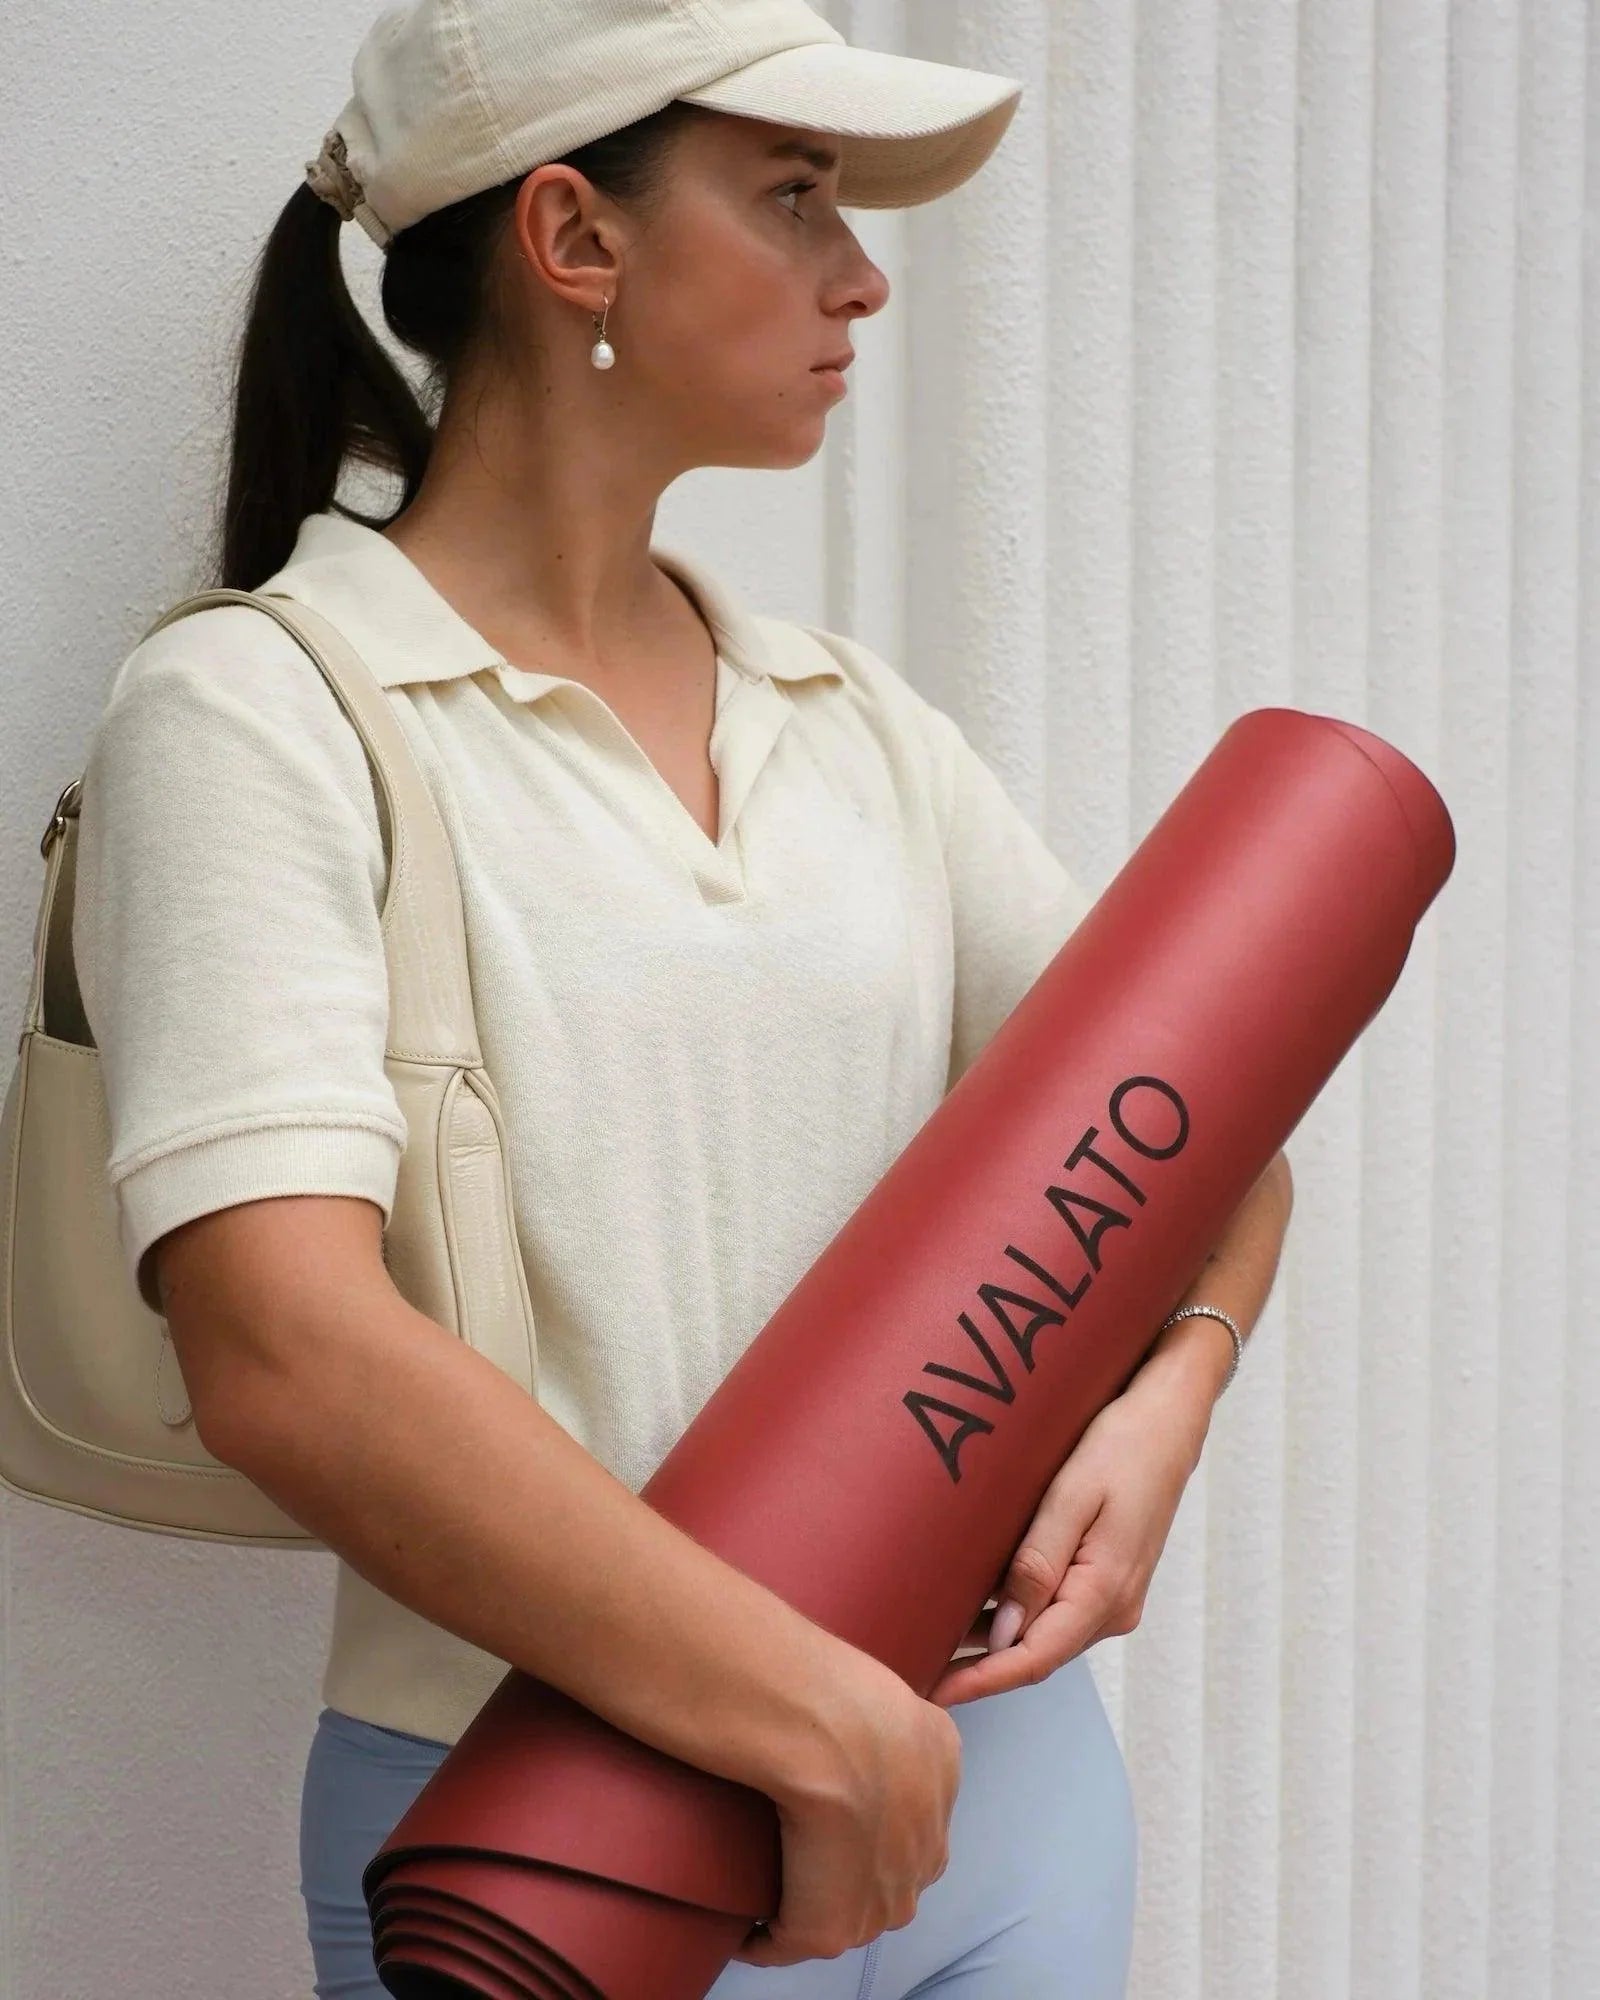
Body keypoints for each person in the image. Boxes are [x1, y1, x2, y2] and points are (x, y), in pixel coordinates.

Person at [74, 2, 1290, 1993]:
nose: (860, 273)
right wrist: (810, 1711)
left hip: (995, 1785)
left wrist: (1171, 1391)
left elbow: (1199, 1103)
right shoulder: (262, 710)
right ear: (573, 241)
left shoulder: (843, 715)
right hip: (557, 1824)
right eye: (793, 197)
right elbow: (281, 1350)